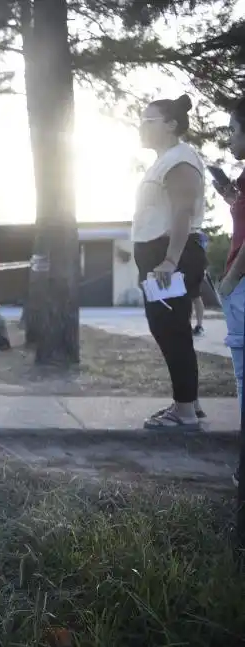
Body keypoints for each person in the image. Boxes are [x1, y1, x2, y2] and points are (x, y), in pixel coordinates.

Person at [131, 94, 208, 431]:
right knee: (169, 329)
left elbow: (182, 213)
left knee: (171, 330)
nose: (142, 127)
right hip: (159, 257)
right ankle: (188, 402)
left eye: (149, 121)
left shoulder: (181, 159)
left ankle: (185, 412)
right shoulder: (164, 160)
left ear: (172, 125)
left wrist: (169, 260)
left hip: (171, 257)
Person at [216, 98, 245, 486]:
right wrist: (231, 199)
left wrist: (230, 280)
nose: (229, 138)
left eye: (234, 130)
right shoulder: (242, 183)